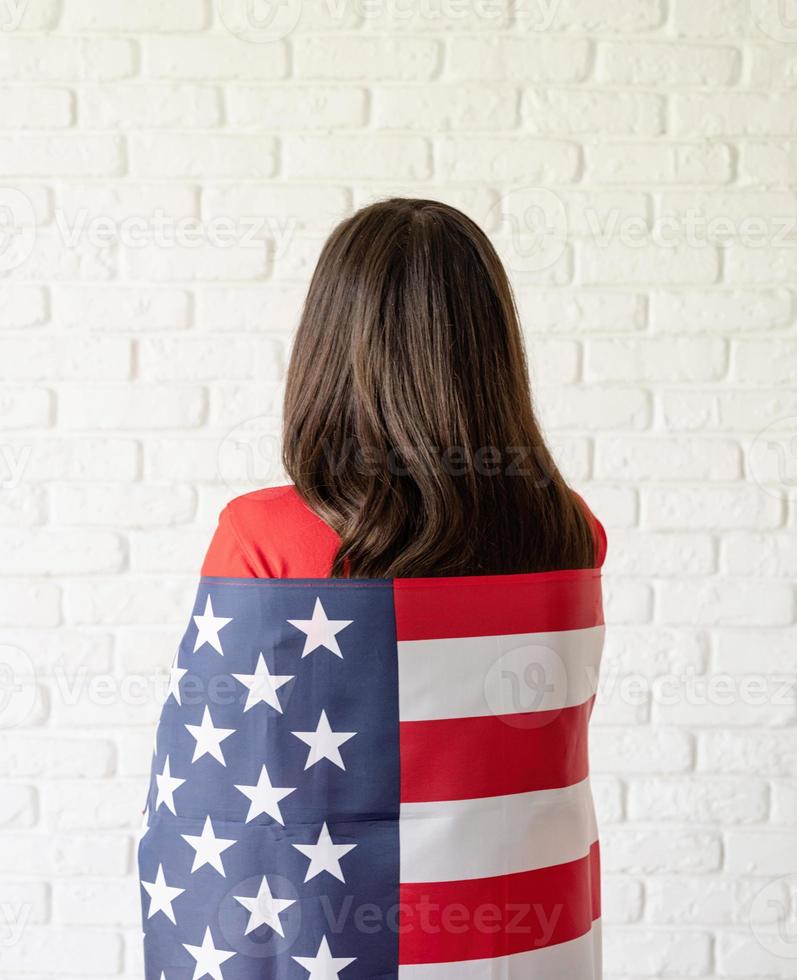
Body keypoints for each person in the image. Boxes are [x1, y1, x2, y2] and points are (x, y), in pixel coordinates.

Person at [139, 199, 608, 979]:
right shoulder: (570, 531)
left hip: (336, 947)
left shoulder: (263, 536)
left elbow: (218, 813)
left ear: (329, 345)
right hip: (525, 937)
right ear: (491, 348)